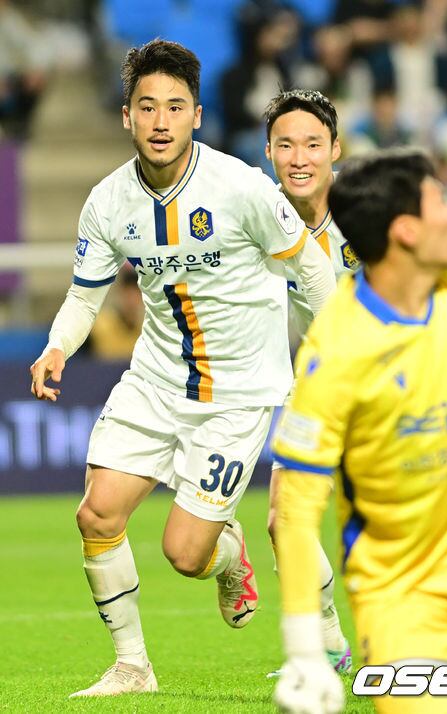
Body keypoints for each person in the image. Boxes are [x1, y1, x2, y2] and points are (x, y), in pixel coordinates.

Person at [29, 39, 336, 698]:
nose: (161, 121)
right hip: (155, 380)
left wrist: (342, 345)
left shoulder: (242, 188)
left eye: (175, 107)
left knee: (185, 554)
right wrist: (57, 346)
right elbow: (85, 295)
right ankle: (132, 667)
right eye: (147, 107)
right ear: (126, 117)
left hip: (239, 394)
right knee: (96, 515)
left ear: (197, 115)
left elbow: (312, 270)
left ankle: (228, 558)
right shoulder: (108, 201)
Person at [271, 147, 447, 714]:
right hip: (399, 584)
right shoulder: (334, 356)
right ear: (406, 232)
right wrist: (305, 652)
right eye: (439, 203)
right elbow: (295, 508)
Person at [263, 88, 358, 675]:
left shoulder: (367, 211)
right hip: (312, 388)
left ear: (335, 150)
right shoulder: (254, 214)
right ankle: (327, 643)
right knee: (284, 522)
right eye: (286, 145)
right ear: (268, 151)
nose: (299, 159)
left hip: (385, 387)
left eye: (313, 145)